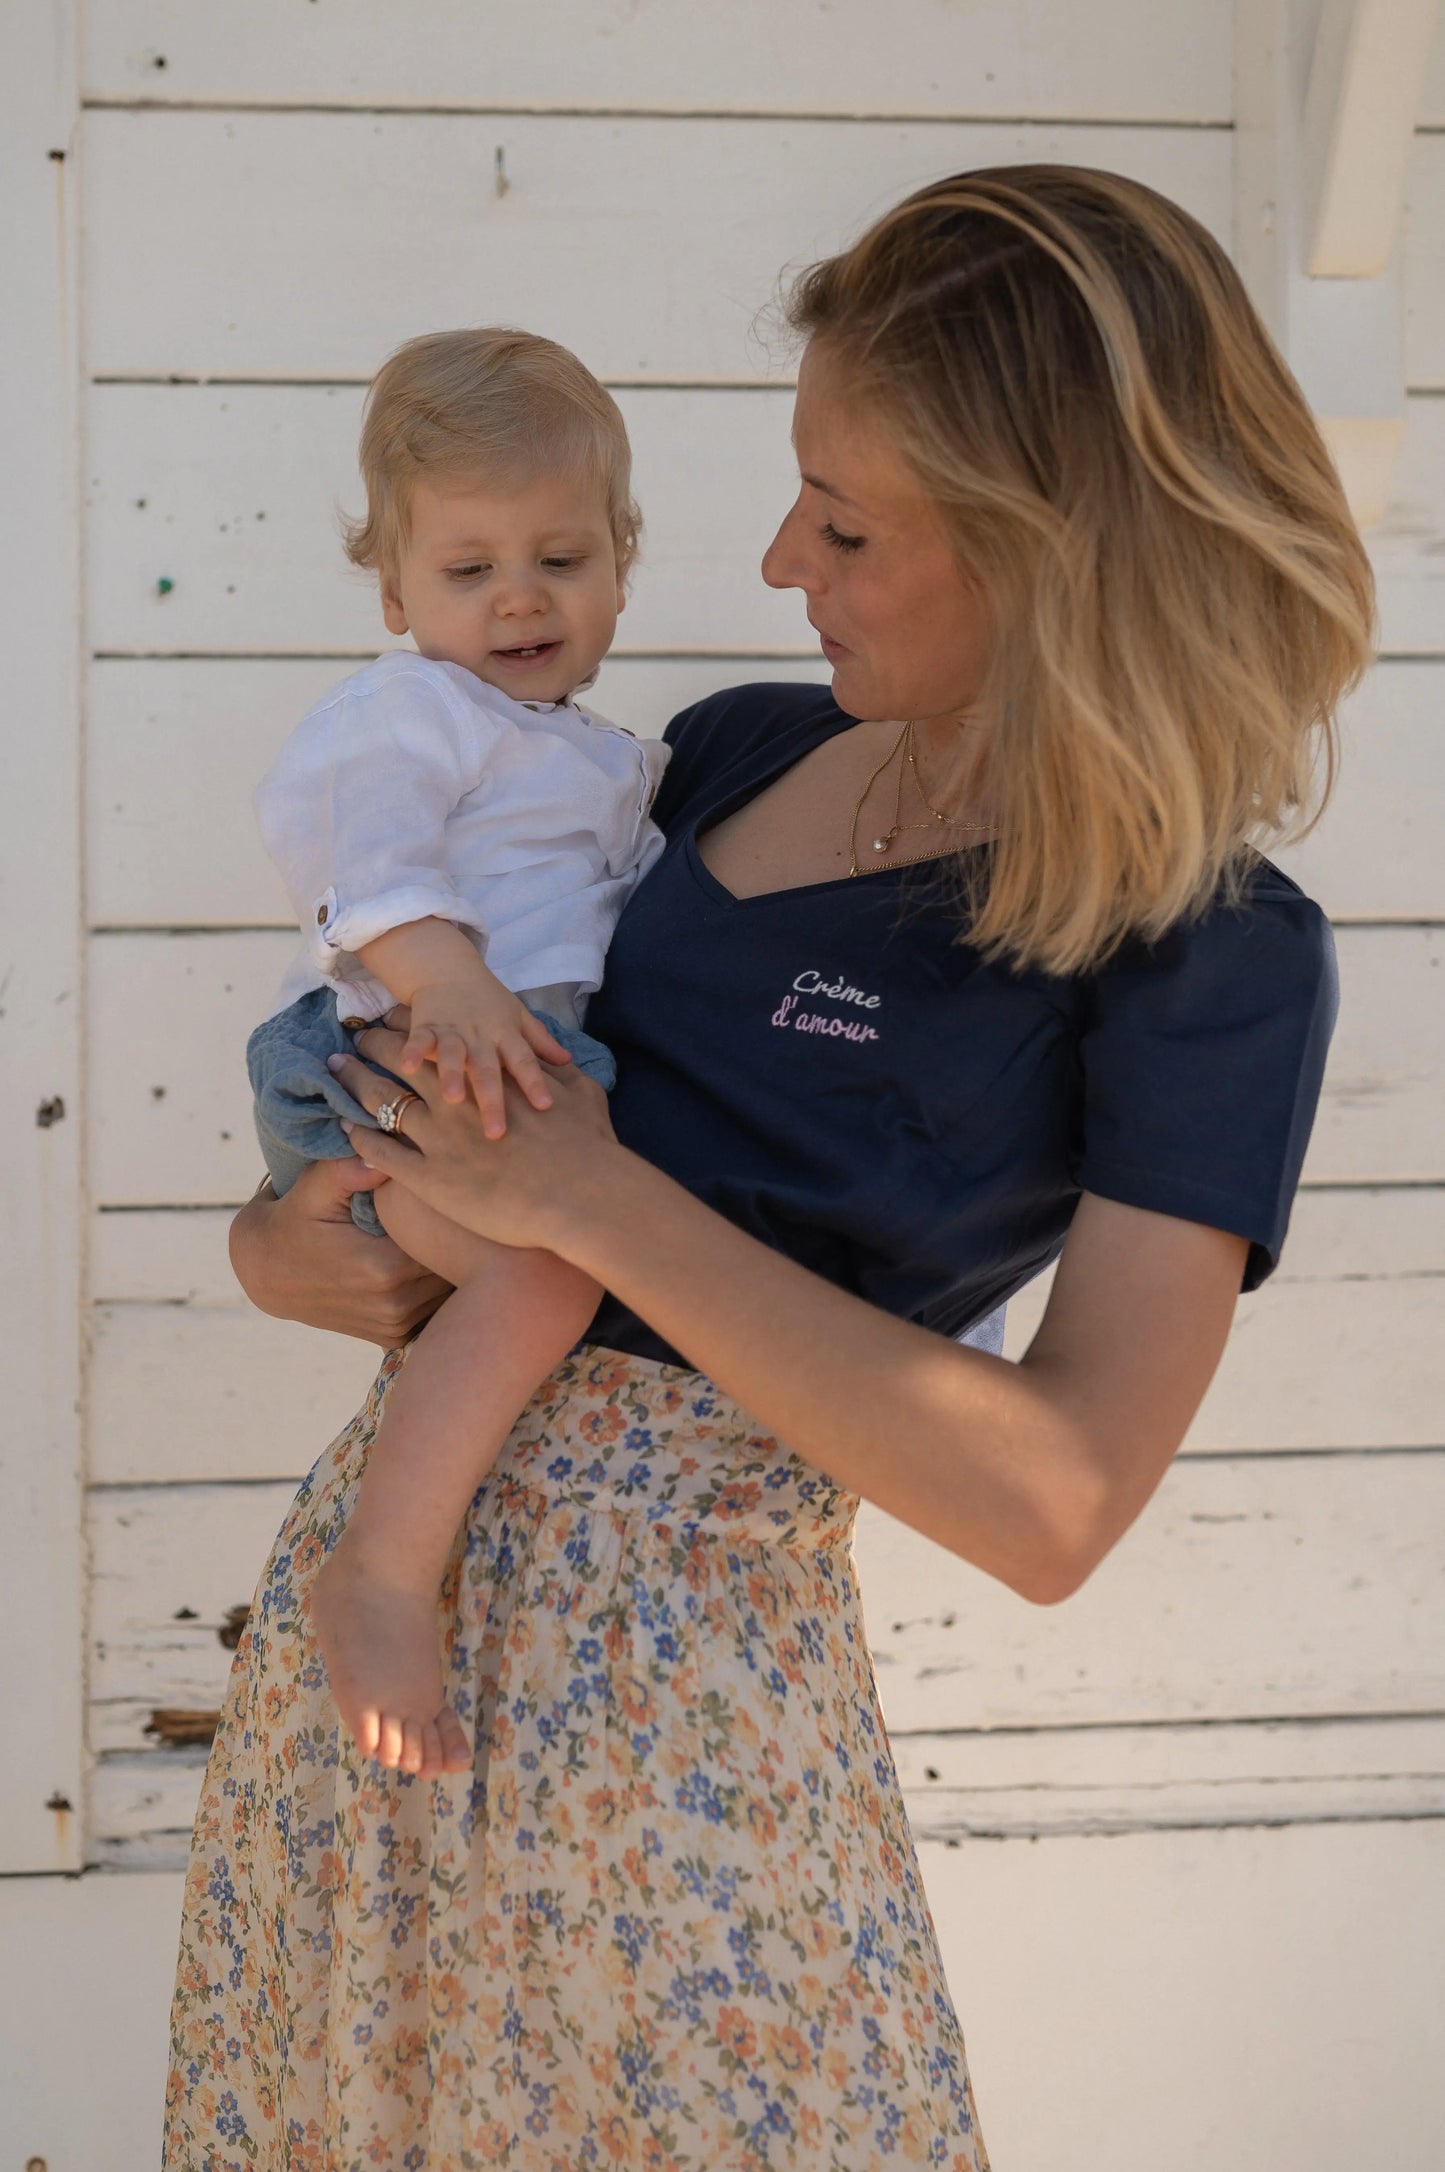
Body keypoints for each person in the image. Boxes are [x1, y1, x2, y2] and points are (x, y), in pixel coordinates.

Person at [164, 167, 1373, 2171]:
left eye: (849, 521)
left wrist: (596, 1210)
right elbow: (416, 1118)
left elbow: (1061, 1501)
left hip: (695, 1703)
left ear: (1046, 546)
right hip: (389, 1615)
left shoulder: (1210, 954)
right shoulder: (718, 756)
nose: (777, 559)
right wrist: (286, 1248)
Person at [245, 327, 668, 1777]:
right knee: (544, 1270)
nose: (519, 598)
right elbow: (358, 858)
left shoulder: (593, 750)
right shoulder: (406, 710)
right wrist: (453, 981)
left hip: (509, 1067)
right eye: (468, 569)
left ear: (620, 562)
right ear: (393, 592)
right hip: (413, 1055)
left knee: (544, 1277)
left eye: (559, 557)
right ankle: (376, 1574)